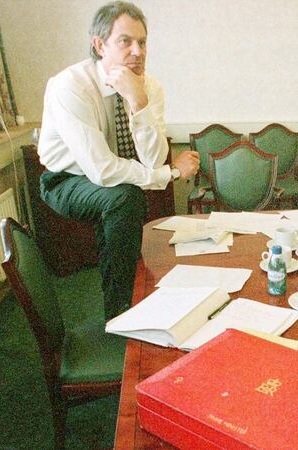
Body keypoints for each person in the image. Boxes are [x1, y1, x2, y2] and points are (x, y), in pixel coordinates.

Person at [37, 1, 199, 319]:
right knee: (124, 198)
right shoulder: (70, 86)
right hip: (64, 179)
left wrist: (138, 102)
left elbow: (152, 160)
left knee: (124, 196)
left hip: (114, 180)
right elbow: (102, 169)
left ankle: (132, 288)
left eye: (142, 42)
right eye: (125, 41)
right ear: (100, 45)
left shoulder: (149, 87)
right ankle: (121, 310)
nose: (137, 51)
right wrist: (171, 174)